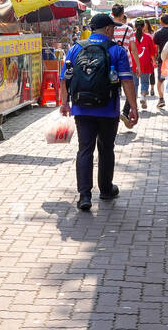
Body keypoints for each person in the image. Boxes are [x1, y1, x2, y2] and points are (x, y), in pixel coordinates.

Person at [59, 13, 138, 211]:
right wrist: (133, 107)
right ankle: (105, 189)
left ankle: (84, 196)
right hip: (108, 109)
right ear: (108, 29)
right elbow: (127, 81)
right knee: (106, 148)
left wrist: (64, 103)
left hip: (81, 108)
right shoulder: (117, 51)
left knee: (84, 149)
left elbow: (64, 78)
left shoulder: (76, 48)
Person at [126, 18, 157, 111]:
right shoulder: (148, 37)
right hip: (145, 62)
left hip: (134, 63)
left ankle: (134, 104)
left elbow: (128, 50)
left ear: (135, 27)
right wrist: (154, 61)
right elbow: (152, 52)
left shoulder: (131, 37)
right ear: (144, 26)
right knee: (145, 82)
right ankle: (143, 96)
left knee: (134, 84)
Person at [152, 14, 168, 109]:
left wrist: (155, 59)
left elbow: (156, 47)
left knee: (161, 80)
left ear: (161, 22)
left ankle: (161, 99)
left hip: (162, 61)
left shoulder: (158, 33)